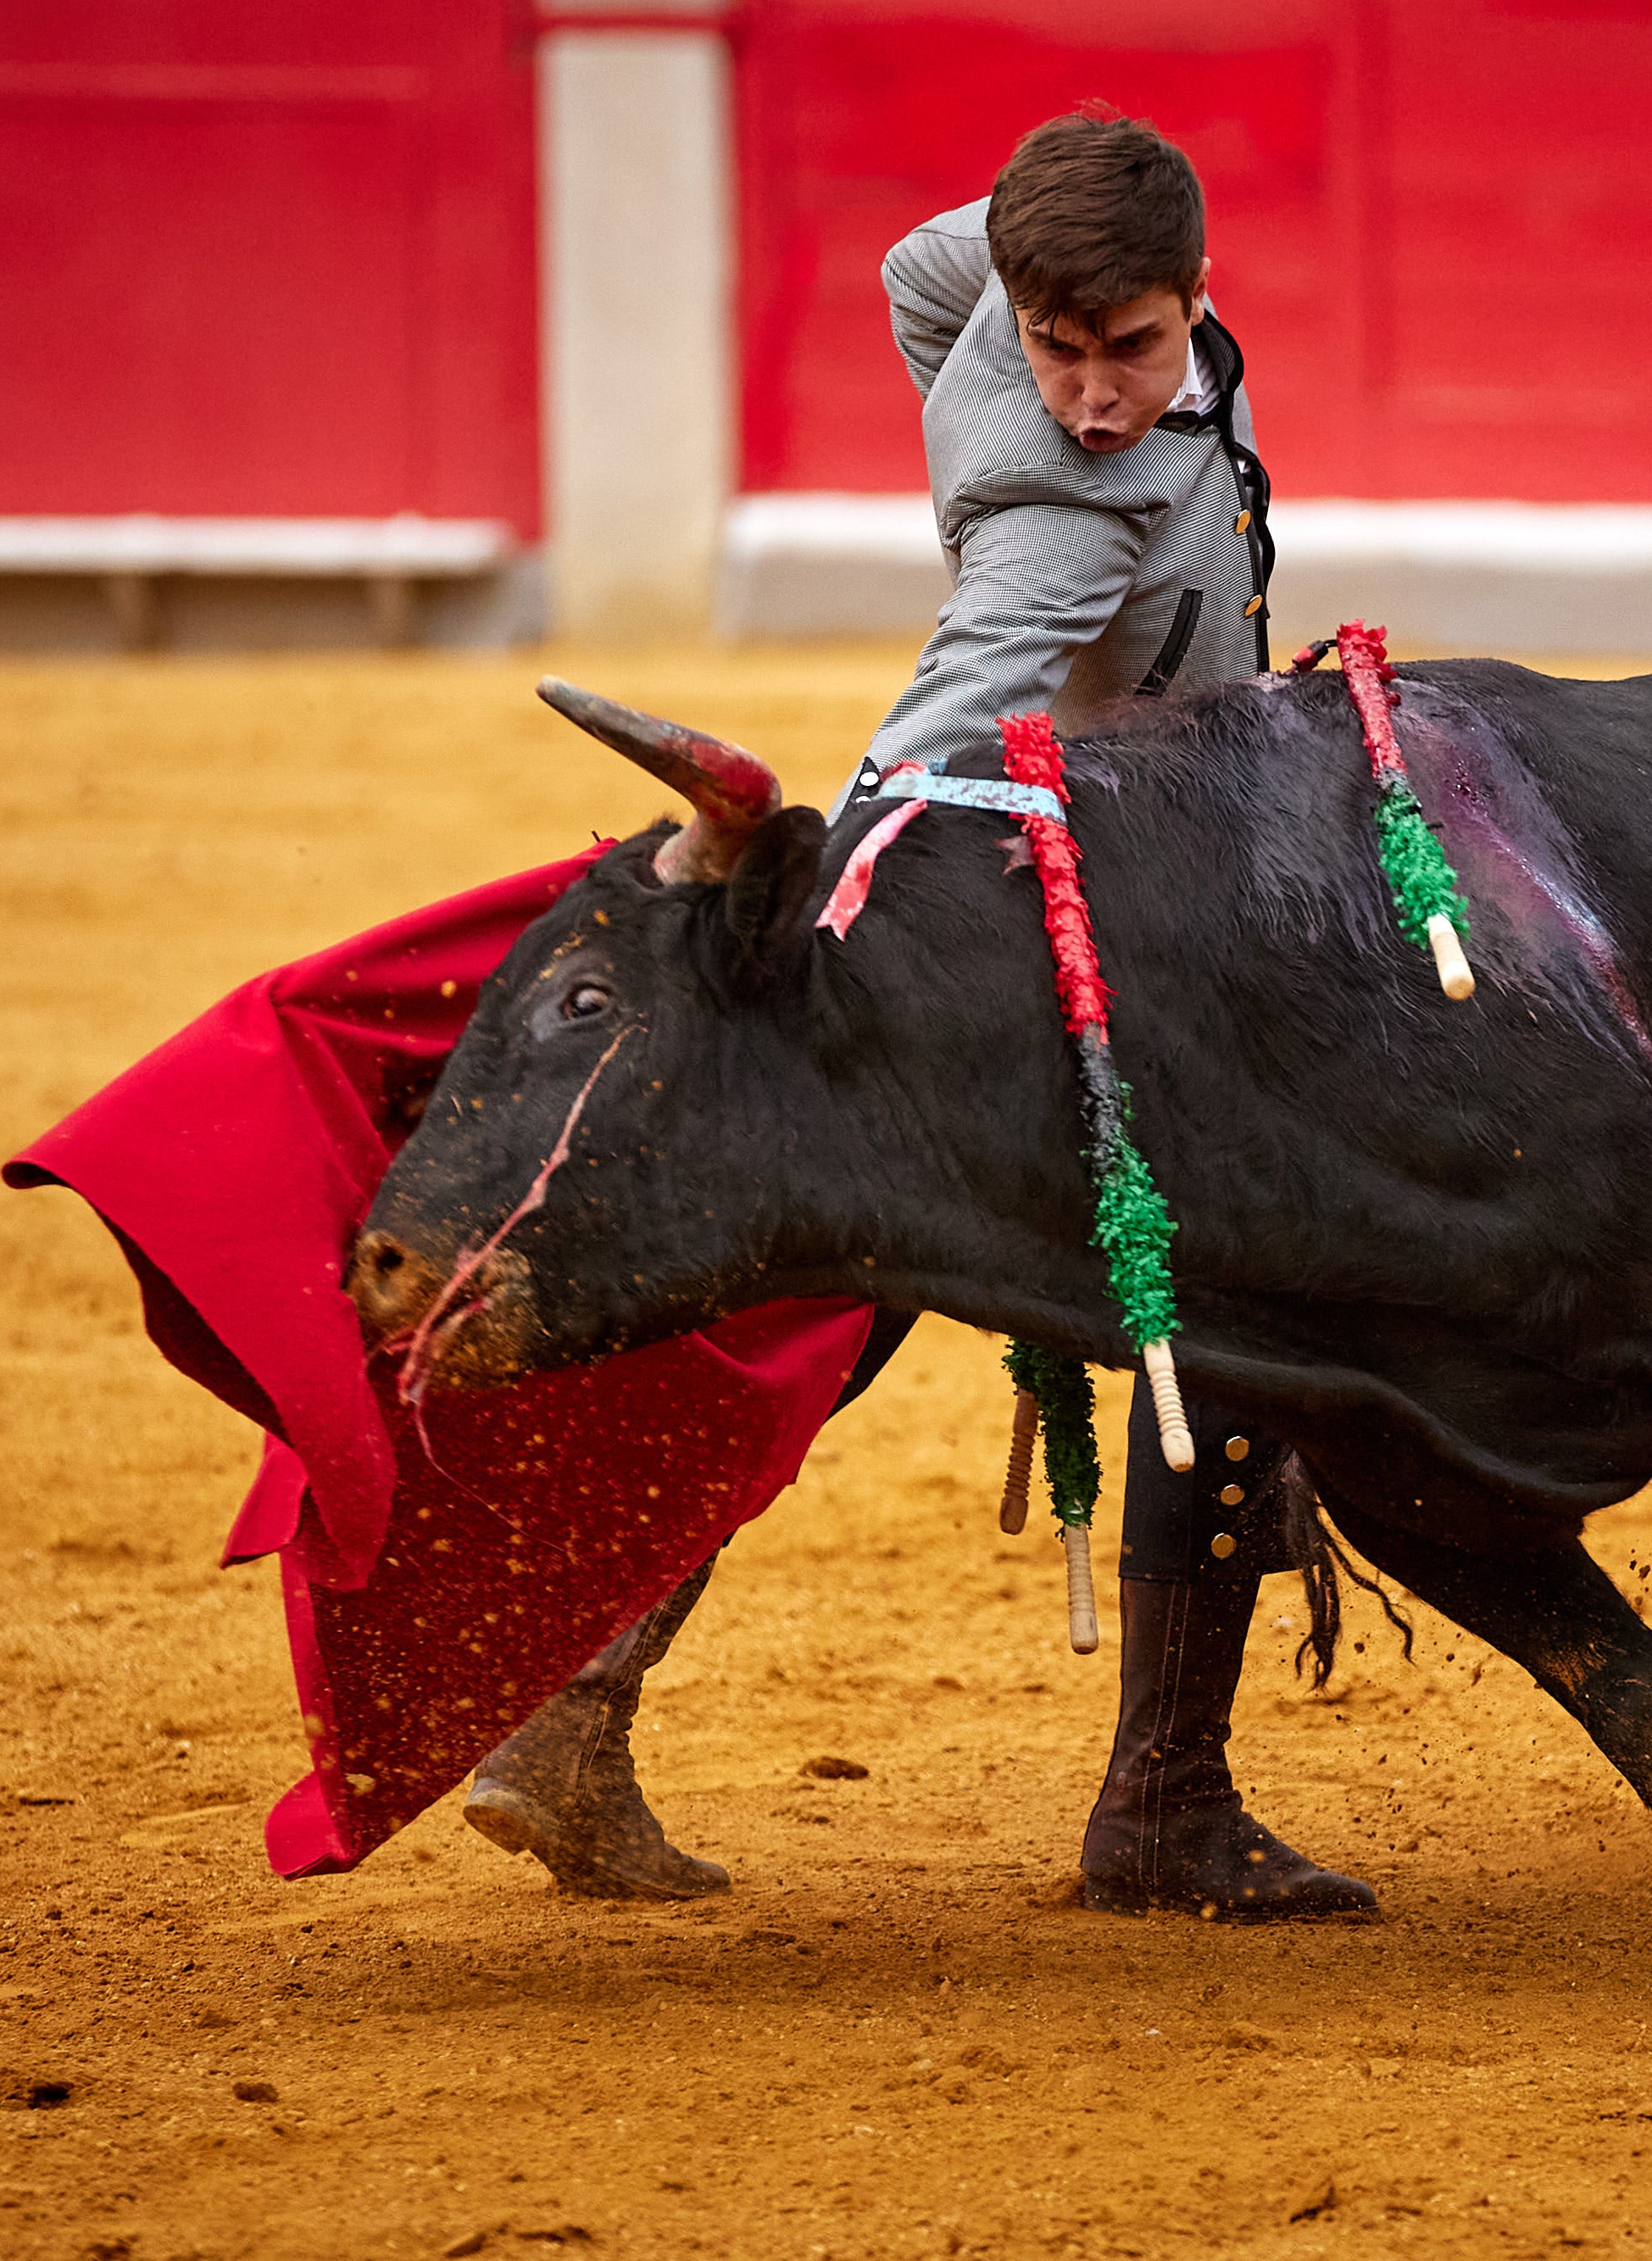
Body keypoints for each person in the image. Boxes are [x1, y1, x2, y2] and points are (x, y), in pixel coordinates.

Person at [460, 109, 1373, 1925]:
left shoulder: (996, 306)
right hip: (1108, 945)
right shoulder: (1063, 519)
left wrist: (1029, 272)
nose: (1095, 395)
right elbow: (940, 720)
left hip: (1141, 897)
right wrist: (813, 899)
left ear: (1196, 294)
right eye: (1059, 350)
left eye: (1129, 346)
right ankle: (1166, 1802)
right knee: (1228, 1328)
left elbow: (915, 266)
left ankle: (576, 1701)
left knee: (845, 1300)